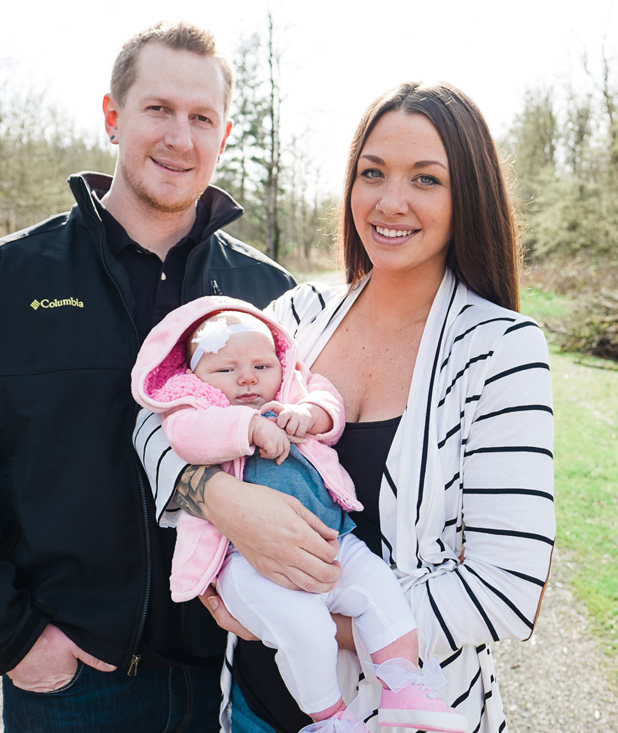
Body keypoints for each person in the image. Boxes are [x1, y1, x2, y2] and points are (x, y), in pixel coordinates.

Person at [0, 22, 296, 732]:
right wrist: (12, 637)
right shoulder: (7, 278)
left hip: (242, 678)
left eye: (201, 117)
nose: (180, 136)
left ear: (224, 134)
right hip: (77, 686)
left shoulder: (268, 294)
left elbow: (316, 454)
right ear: (113, 117)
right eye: (158, 110)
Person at [134, 81, 555, 732]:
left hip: (402, 717)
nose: (391, 202)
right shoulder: (295, 317)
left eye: (425, 179)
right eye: (372, 173)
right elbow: (157, 412)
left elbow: (505, 588)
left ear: (467, 196)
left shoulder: (499, 349)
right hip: (252, 708)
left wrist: (307, 616)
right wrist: (216, 499)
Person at [131, 298, 467, 732]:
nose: (248, 377)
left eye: (261, 365)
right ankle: (329, 718)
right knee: (305, 630)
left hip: (333, 540)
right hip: (243, 560)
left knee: (382, 594)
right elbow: (182, 437)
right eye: (225, 369)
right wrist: (247, 427)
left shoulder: (292, 392)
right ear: (196, 377)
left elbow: (329, 402)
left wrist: (308, 414)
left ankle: (402, 684)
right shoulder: (198, 408)